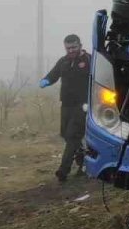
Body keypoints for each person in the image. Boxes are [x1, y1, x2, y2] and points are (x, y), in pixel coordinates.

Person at [38, 34, 91, 183]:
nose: (71, 50)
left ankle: (63, 171)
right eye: (68, 48)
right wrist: (46, 80)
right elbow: (54, 74)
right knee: (67, 135)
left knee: (73, 135)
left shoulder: (89, 60)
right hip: (66, 104)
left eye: (74, 47)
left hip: (83, 105)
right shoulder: (64, 61)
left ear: (80, 45)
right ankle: (84, 164)